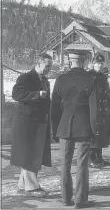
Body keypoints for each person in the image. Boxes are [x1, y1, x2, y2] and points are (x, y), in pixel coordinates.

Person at [50, 52, 95, 208]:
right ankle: (80, 200)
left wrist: (54, 129)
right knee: (82, 164)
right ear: (83, 62)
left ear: (70, 62)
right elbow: (94, 108)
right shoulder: (91, 79)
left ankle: (65, 199)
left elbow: (54, 107)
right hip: (84, 127)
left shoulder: (60, 79)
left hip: (64, 126)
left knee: (65, 164)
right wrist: (95, 130)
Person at [11, 53, 52, 197]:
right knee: (30, 154)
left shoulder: (44, 79)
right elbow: (16, 94)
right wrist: (36, 95)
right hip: (27, 122)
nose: (49, 69)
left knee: (32, 153)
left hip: (38, 122)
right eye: (47, 66)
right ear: (39, 63)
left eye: (50, 66)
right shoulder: (26, 77)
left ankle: (23, 184)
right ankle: (32, 187)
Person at [89, 55, 110, 168]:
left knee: (101, 134)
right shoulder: (89, 76)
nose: (100, 65)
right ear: (93, 63)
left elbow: (105, 93)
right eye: (98, 63)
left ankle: (99, 158)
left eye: (101, 63)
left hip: (102, 109)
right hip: (92, 108)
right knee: (93, 134)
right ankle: (91, 158)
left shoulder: (102, 77)